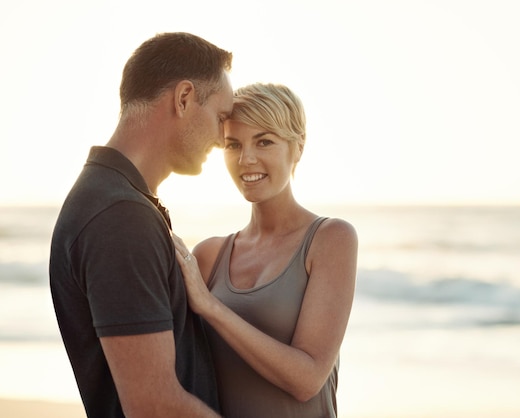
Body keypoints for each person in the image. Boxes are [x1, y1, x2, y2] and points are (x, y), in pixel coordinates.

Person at [49, 32, 233, 418]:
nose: (223, 137)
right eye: (220, 117)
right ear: (184, 99)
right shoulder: (119, 215)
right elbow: (154, 406)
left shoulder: (117, 199)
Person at [172, 82, 358, 418]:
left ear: (297, 148)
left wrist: (211, 306)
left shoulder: (331, 239)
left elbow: (308, 378)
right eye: (233, 144)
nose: (247, 159)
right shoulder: (208, 256)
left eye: (265, 141)